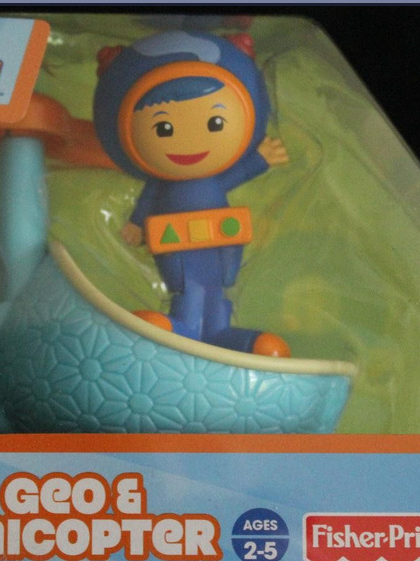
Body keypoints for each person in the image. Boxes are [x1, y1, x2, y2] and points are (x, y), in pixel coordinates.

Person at [93, 31, 290, 356]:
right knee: (186, 289)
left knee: (218, 289)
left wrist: (261, 158)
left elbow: (236, 174)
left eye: (215, 123)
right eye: (164, 129)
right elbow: (148, 199)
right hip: (175, 245)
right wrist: (137, 223)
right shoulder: (160, 182)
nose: (189, 143)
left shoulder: (214, 178)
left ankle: (226, 336)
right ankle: (178, 329)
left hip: (221, 244)